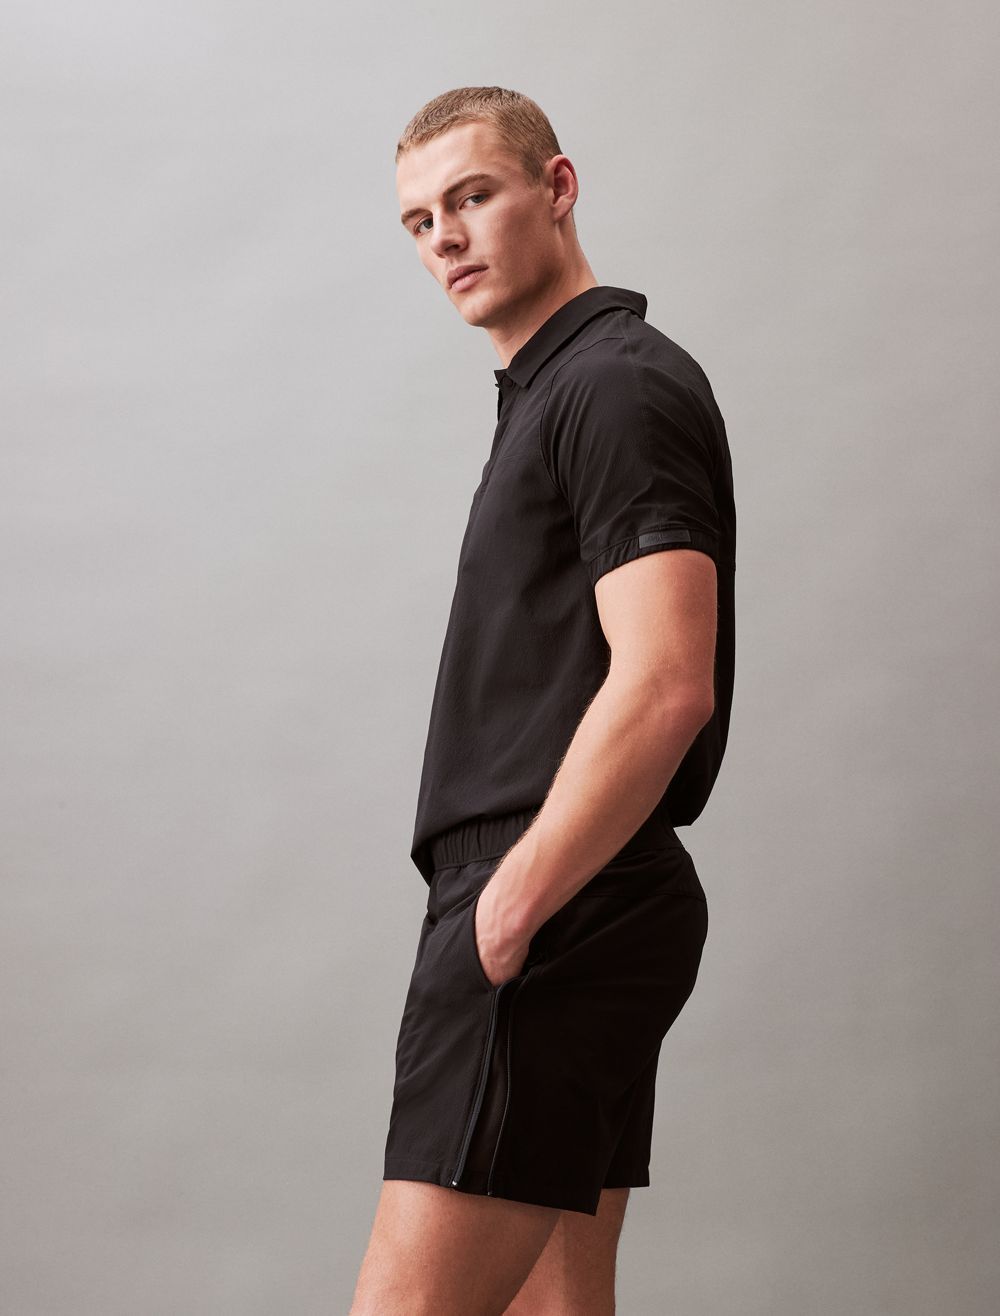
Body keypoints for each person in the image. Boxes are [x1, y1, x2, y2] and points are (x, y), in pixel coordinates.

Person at [350, 85, 737, 1315]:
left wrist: (509, 907)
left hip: (556, 891)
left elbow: (666, 679)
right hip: (580, 891)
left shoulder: (612, 385)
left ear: (556, 188)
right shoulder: (557, 390)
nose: (445, 239)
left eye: (471, 197)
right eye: (419, 221)